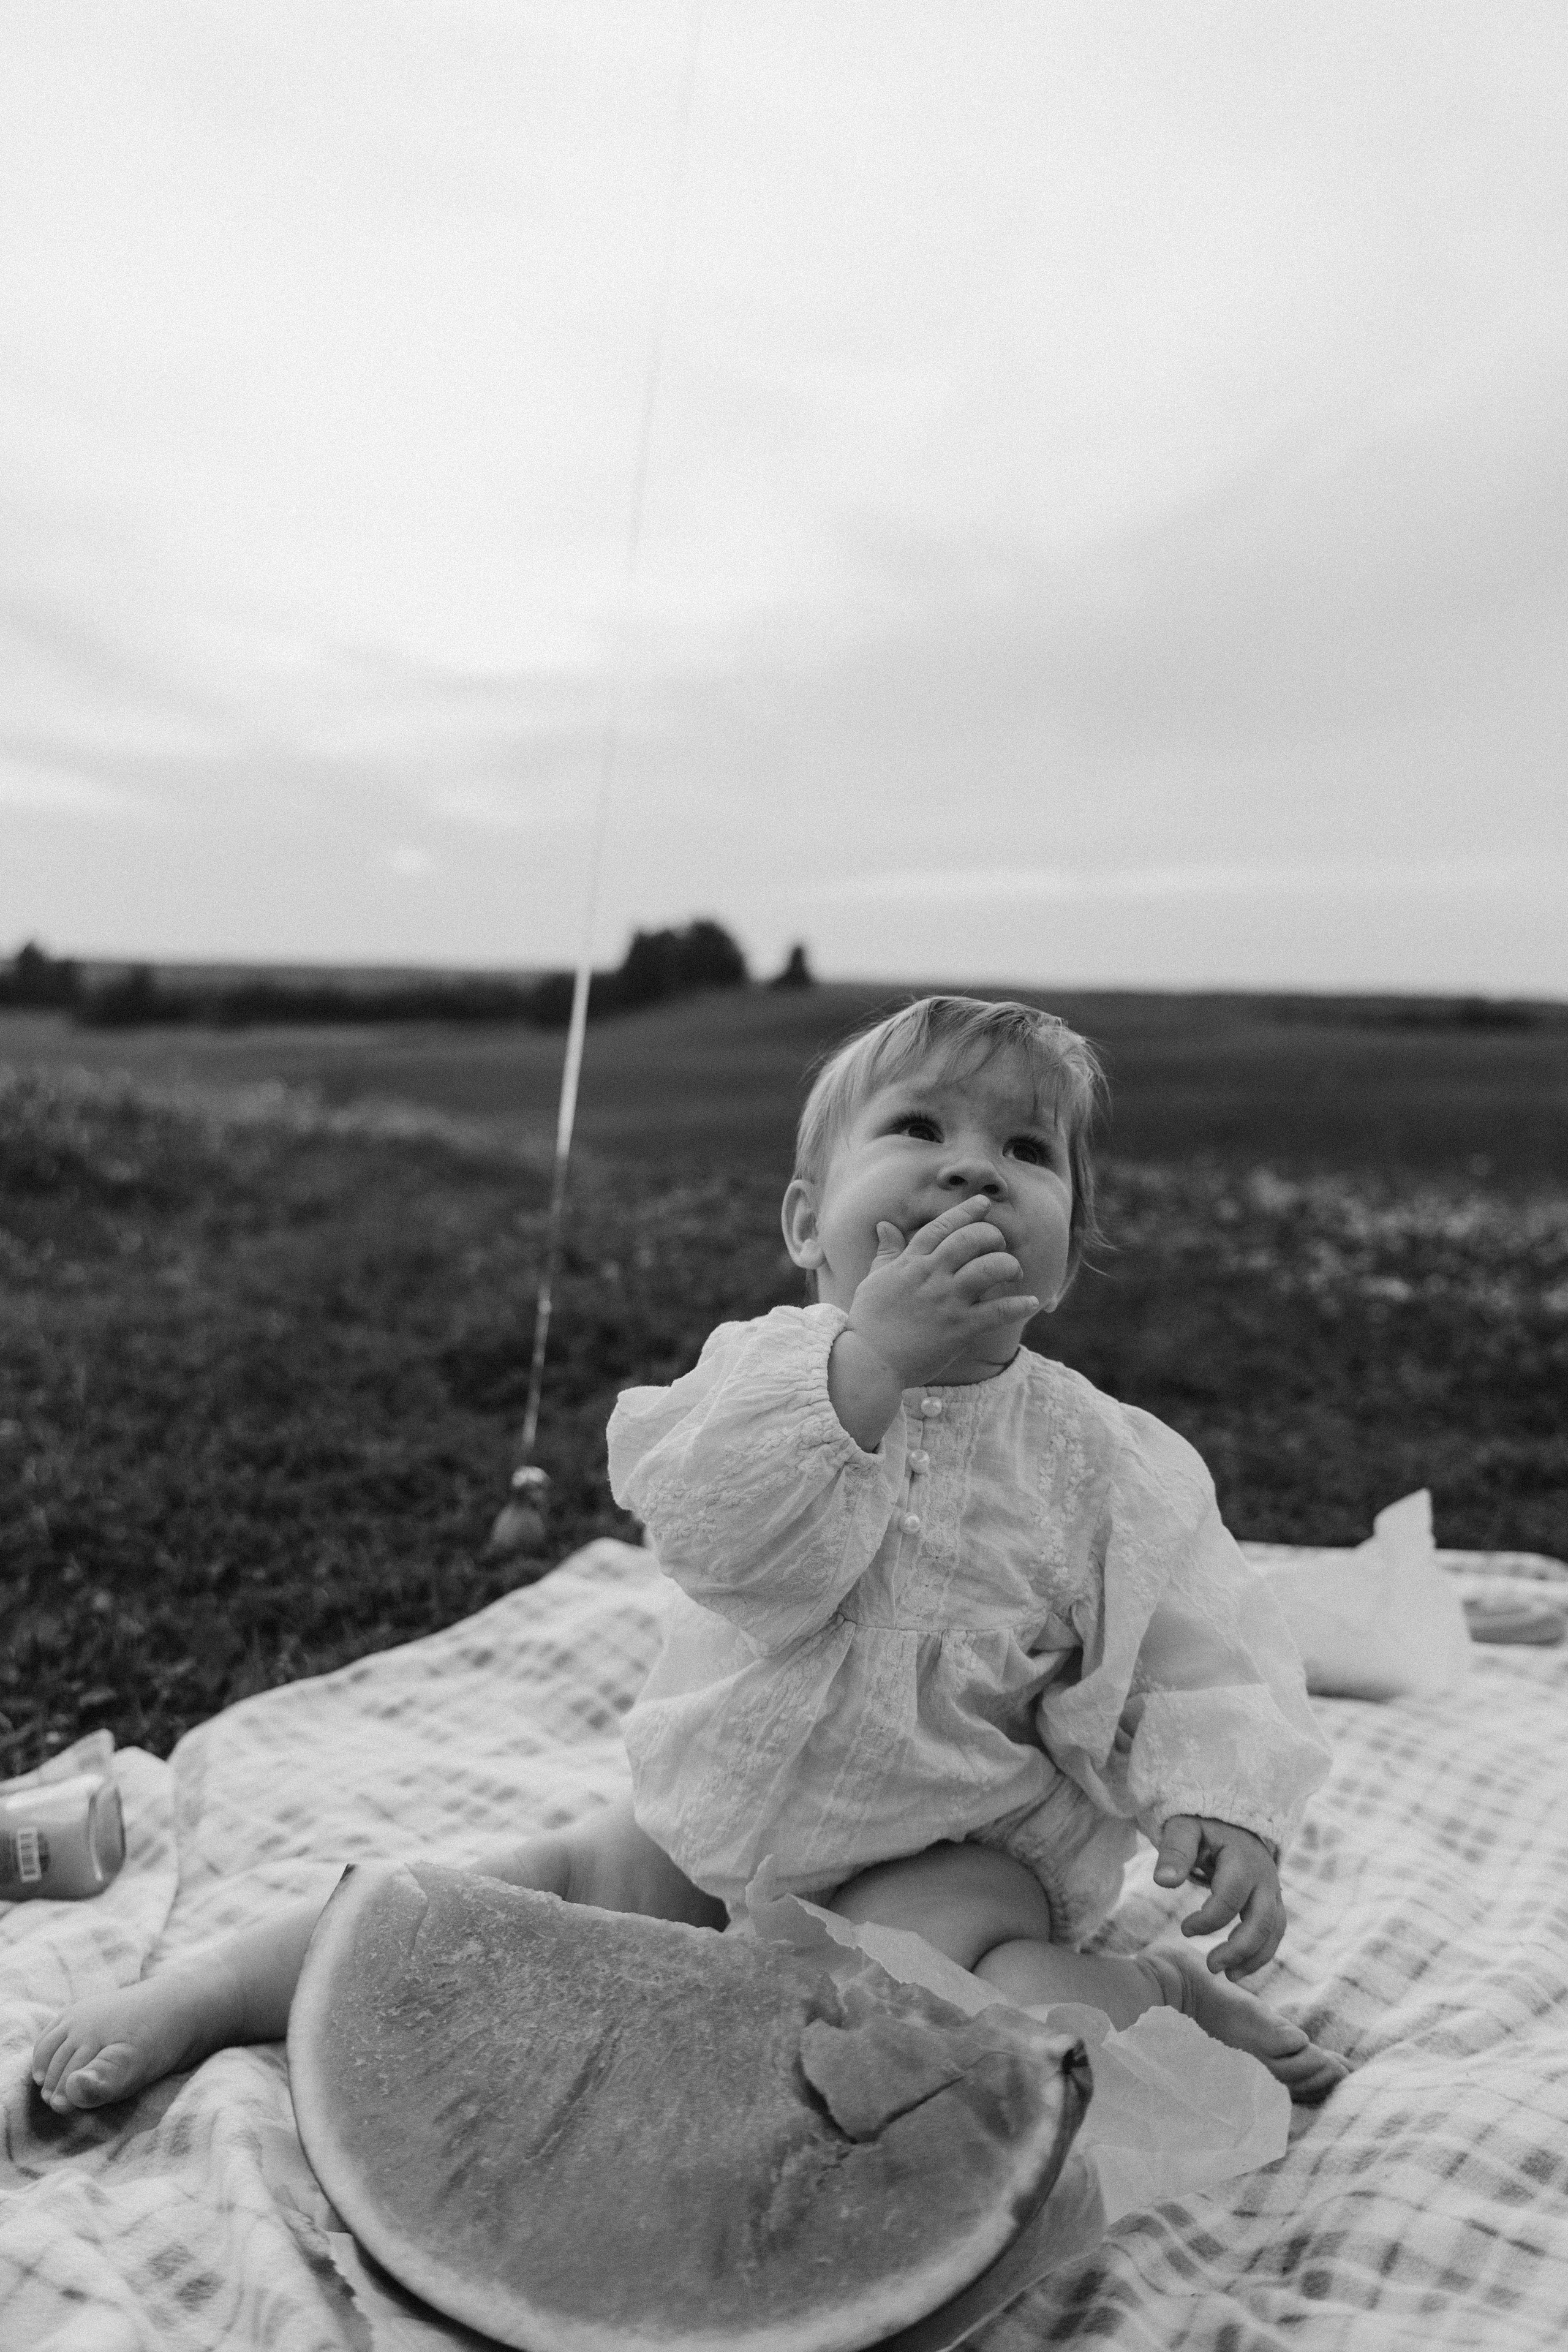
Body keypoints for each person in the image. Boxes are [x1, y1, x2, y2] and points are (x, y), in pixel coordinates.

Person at [32, 995, 1345, 2116]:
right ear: (803, 1224)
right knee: (484, 1903)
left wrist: (1215, 1802)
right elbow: (732, 1547)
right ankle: (213, 1990)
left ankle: (1157, 1993)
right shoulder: (762, 1381)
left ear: (1062, 1259)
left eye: (1024, 1148)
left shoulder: (1099, 1457)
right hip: (720, 1813)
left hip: (950, 1841)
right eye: (916, 1130)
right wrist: (869, 1363)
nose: (969, 1170)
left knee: (942, 2001)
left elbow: (1189, 1641)